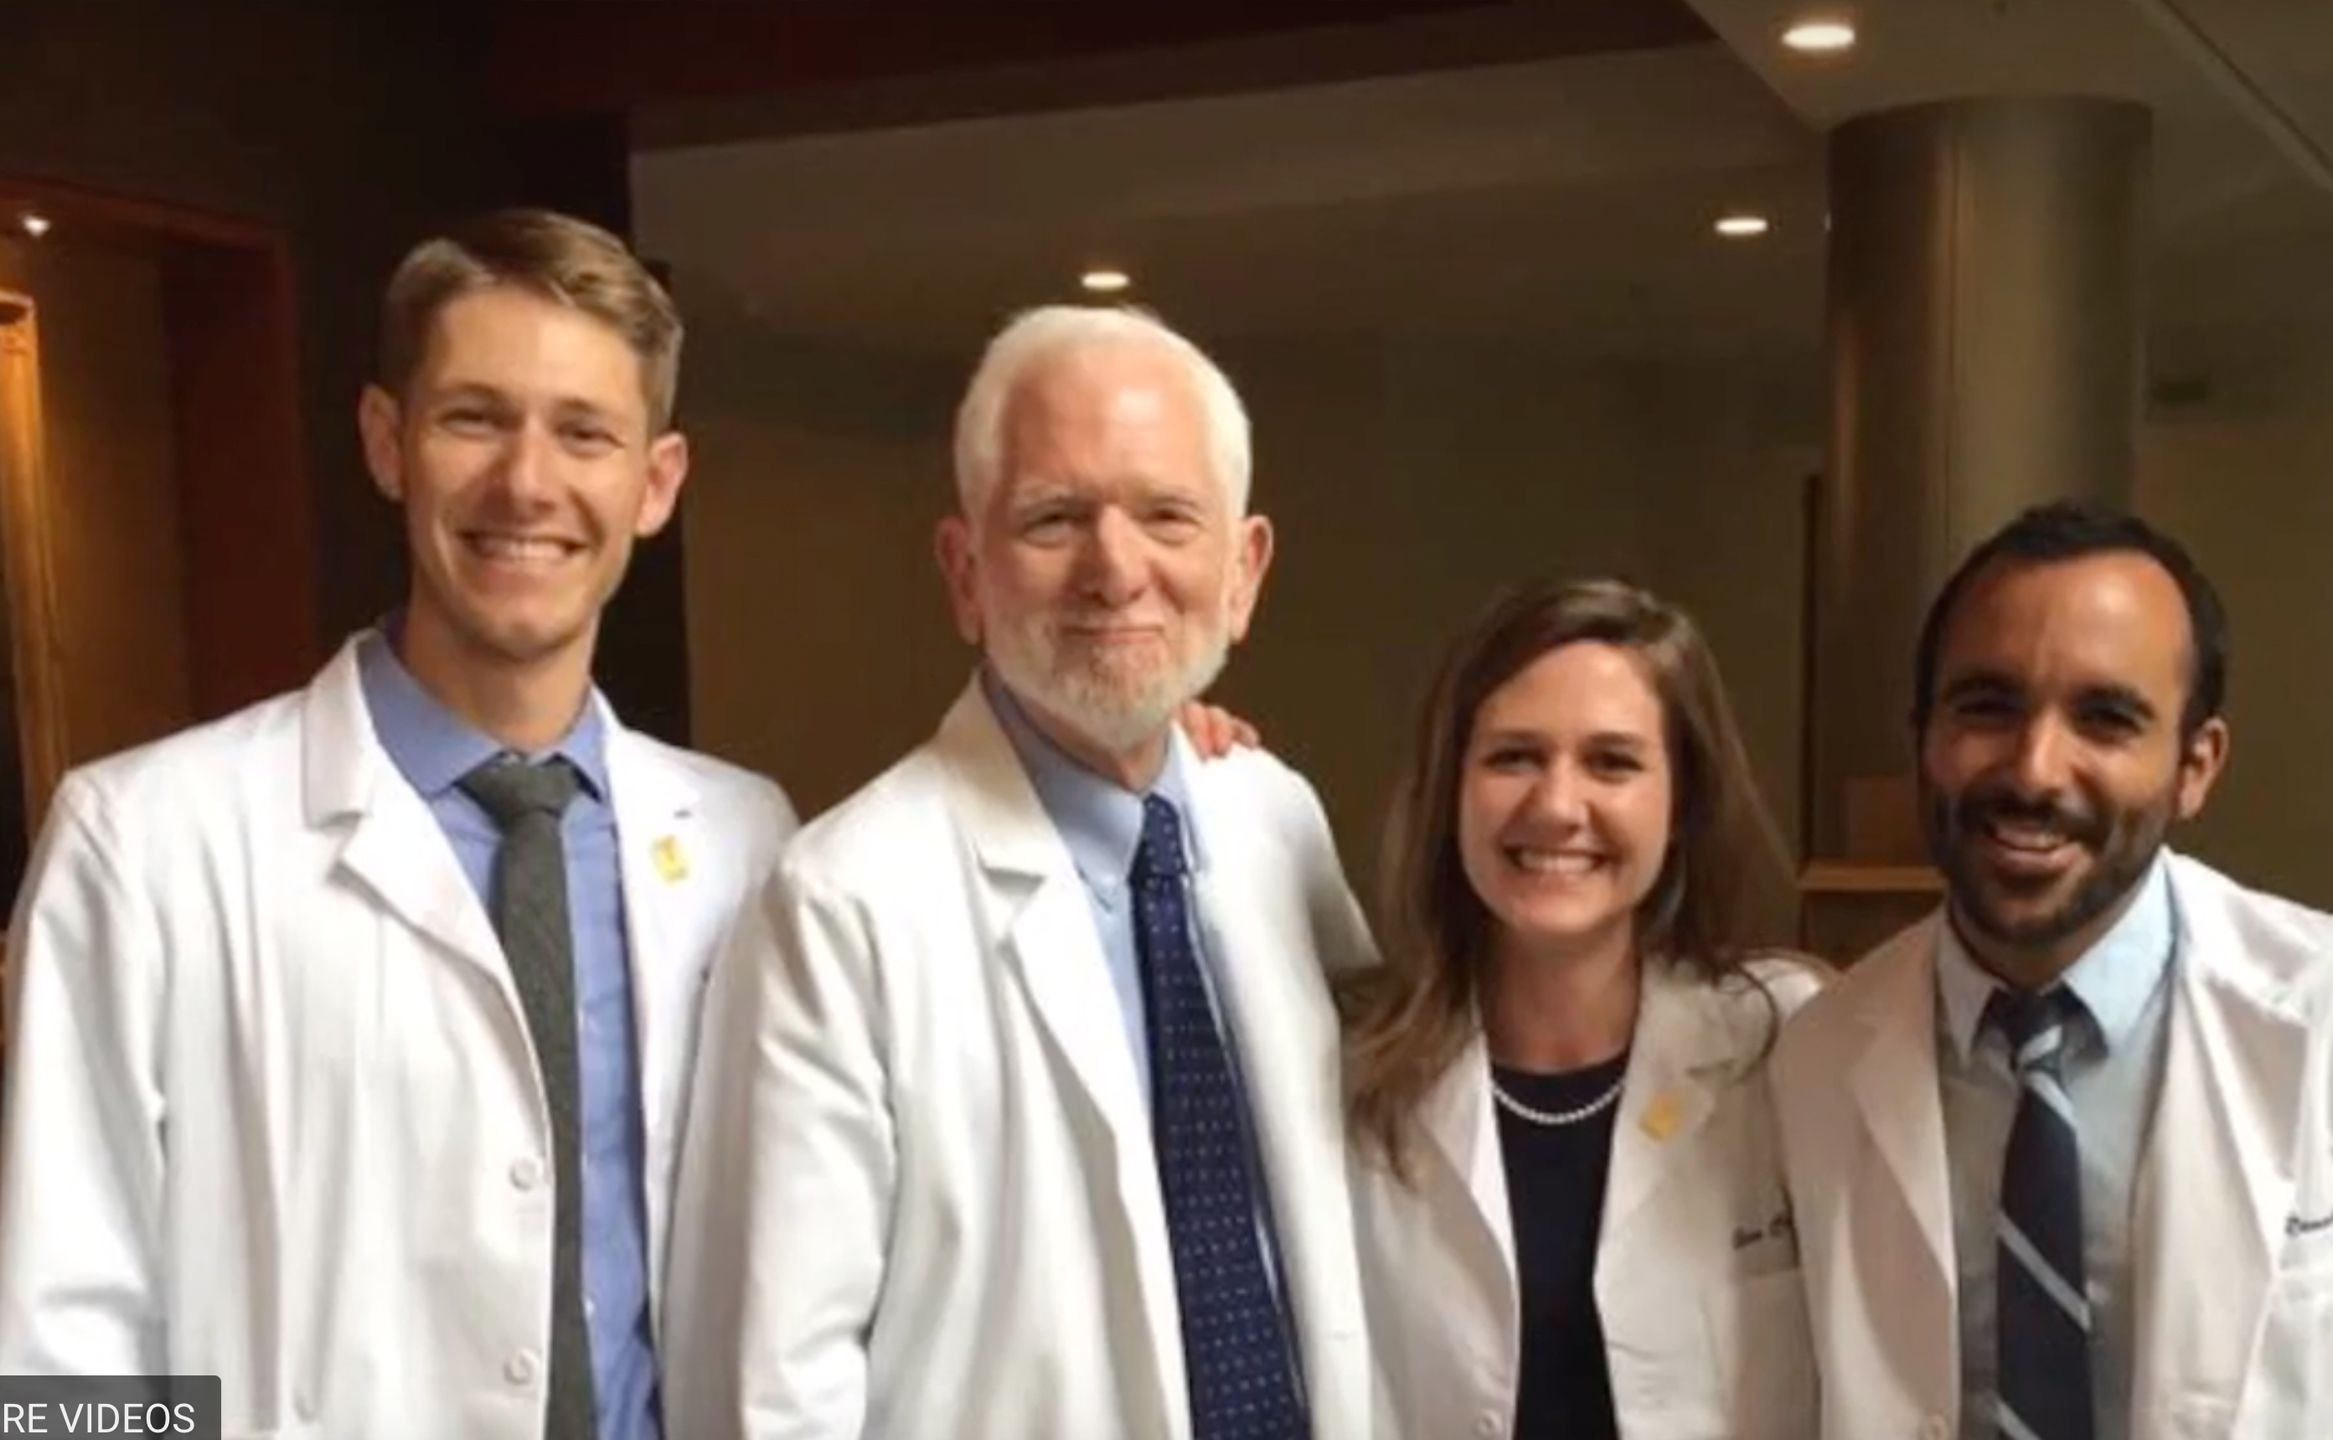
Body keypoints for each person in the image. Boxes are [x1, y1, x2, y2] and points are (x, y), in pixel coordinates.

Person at [0, 208, 798, 1439]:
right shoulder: (143, 840)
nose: (527, 483)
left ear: (656, 484)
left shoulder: (748, 844)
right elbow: (59, 1355)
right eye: (474, 417)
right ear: (387, 441)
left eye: (584, 432)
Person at [664, 305, 1375, 1439]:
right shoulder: (840, 905)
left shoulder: (1273, 820)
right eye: (1054, 518)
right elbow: (776, 1386)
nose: (1115, 569)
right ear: (963, 571)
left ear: (1242, 571)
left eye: (1166, 515)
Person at [1774, 500, 2333, 1439]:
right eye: (1988, 707)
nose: (2034, 769)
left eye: (2105, 718)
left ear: (2196, 764)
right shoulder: (1817, 1055)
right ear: (1923, 739)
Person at [1345, 578, 1821, 1440]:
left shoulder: (1788, 1042)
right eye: (1513, 757)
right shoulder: (1351, 1078)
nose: (1558, 807)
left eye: (1613, 762)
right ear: (1452, 794)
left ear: (1682, 806)